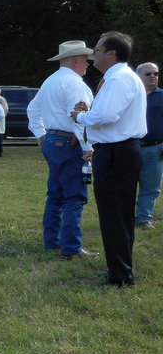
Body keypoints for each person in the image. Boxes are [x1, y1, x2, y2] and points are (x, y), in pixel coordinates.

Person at [71, 31, 147, 287]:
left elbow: (106, 117)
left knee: (114, 214)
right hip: (119, 151)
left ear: (112, 53)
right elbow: (107, 114)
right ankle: (119, 269)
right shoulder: (119, 78)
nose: (93, 55)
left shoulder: (118, 79)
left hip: (117, 152)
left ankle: (120, 275)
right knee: (118, 214)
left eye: (98, 50)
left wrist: (79, 117)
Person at [27, 40, 97, 259]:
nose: (87, 65)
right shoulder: (75, 83)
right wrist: (88, 146)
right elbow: (78, 117)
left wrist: (40, 133)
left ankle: (52, 241)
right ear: (75, 61)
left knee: (55, 194)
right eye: (85, 61)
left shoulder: (50, 81)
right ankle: (71, 247)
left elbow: (32, 108)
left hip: (53, 140)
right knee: (74, 196)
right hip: (70, 141)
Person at [135, 62, 163, 230]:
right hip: (130, 147)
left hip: (154, 148)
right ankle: (124, 216)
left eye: (156, 73)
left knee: (151, 186)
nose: (153, 76)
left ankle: (144, 218)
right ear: (138, 75)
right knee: (126, 184)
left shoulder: (162, 96)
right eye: (148, 74)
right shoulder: (131, 94)